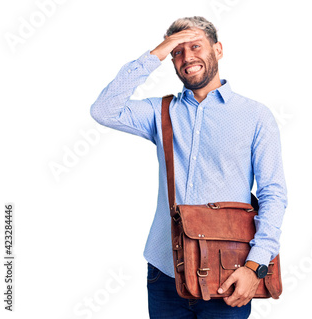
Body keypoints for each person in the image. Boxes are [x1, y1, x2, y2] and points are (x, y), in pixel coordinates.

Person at [90, 16, 287, 319]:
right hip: (165, 272)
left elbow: (273, 195)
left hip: (230, 272)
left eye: (195, 46)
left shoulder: (255, 116)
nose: (187, 57)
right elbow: (104, 110)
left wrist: (256, 266)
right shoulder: (161, 112)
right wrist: (157, 51)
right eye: (177, 52)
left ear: (218, 50)